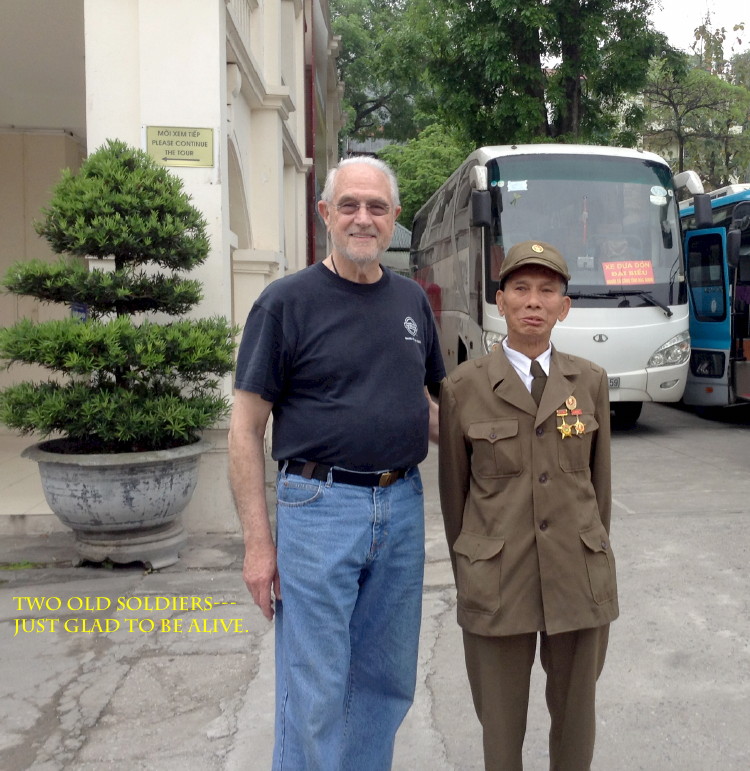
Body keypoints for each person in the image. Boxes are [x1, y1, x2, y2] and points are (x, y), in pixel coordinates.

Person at [228, 156, 445, 771]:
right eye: (349, 204)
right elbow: (244, 430)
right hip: (318, 509)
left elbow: (428, 408)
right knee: (316, 688)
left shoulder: (410, 301)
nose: (362, 218)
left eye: (377, 207)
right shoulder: (285, 303)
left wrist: (510, 435)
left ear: (394, 218)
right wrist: (257, 545)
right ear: (325, 213)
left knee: (385, 681)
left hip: (401, 507)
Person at [438, 240, 618, 771]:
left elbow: (598, 490)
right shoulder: (463, 388)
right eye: (520, 289)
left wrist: (591, 554)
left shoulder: (589, 382)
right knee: (501, 726)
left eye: (546, 290)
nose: (533, 301)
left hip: (577, 576)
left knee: (576, 718)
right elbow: (456, 498)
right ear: (501, 301)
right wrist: (473, 567)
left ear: (564, 307)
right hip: (498, 581)